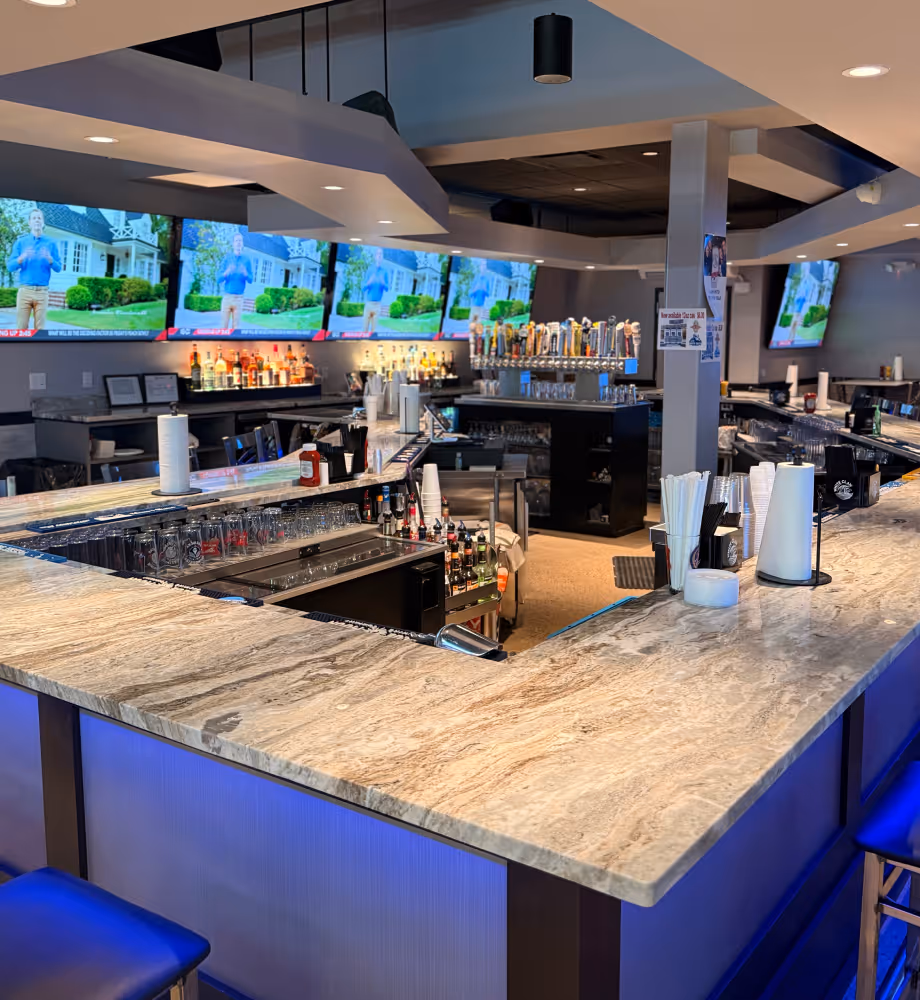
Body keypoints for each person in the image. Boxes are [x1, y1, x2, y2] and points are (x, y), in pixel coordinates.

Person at [6, 207, 62, 331]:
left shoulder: (51, 243)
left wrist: (50, 259)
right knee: (21, 329)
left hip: (42, 292)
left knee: (40, 330)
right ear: (29, 222)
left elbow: (59, 268)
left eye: (39, 218)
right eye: (34, 218)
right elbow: (10, 267)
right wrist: (21, 258)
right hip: (25, 291)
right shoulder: (21, 242)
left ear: (43, 222)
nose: (37, 220)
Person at [218, 231, 253, 329]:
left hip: (239, 299)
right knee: (223, 327)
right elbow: (218, 279)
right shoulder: (227, 259)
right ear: (233, 243)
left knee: (236, 328)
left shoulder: (247, 260)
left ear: (242, 244)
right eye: (236, 240)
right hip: (227, 297)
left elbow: (251, 279)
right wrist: (226, 272)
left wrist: (246, 274)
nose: (238, 242)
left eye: (240, 241)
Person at [361, 248, 389, 333]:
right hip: (369, 304)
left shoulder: (384, 272)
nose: (379, 255)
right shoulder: (370, 270)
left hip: (378, 305)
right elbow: (363, 288)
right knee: (364, 330)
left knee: (373, 332)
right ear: (375, 256)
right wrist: (369, 283)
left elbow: (387, 288)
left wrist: (383, 283)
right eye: (378, 254)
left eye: (381, 254)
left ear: (382, 257)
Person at [468, 259, 491, 325]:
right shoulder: (475, 279)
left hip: (481, 306)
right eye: (482, 265)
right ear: (480, 267)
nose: (483, 267)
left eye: (485, 265)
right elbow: (470, 294)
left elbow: (488, 294)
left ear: (486, 268)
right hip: (474, 305)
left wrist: (485, 290)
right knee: (472, 325)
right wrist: (475, 289)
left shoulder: (487, 280)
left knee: (478, 325)